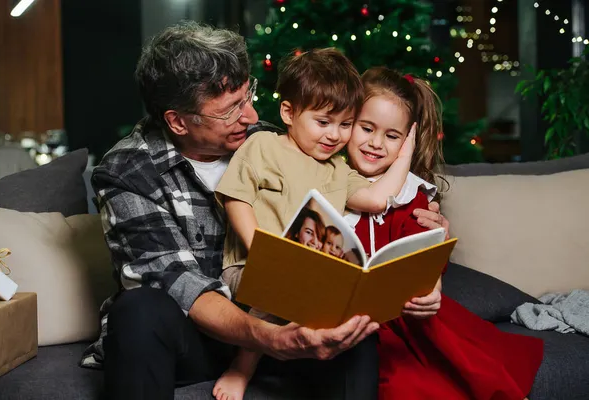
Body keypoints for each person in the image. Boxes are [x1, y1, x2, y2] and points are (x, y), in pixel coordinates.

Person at [81, 21, 447, 400]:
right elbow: (175, 282)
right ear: (178, 121)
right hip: (200, 335)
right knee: (138, 310)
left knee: (353, 329)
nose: (252, 116)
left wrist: (423, 215)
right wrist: (268, 333)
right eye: (230, 110)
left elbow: (358, 192)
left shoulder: (272, 140)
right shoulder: (128, 171)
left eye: (248, 96)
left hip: (286, 318)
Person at [214, 47, 418, 400]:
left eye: (345, 124)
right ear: (289, 112)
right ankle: (241, 367)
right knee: (287, 280)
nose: (334, 135)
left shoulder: (338, 169)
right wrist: (265, 251)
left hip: (310, 276)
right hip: (251, 266)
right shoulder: (263, 146)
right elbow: (237, 197)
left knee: (350, 308)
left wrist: (407, 150)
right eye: (323, 122)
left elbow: (376, 198)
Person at [345, 66, 544, 400]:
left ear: (407, 141)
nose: (375, 143)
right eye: (366, 128)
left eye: (392, 136)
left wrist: (431, 288)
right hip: (344, 311)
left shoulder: (412, 195)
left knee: (419, 379)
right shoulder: (327, 177)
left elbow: (425, 253)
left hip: (400, 317)